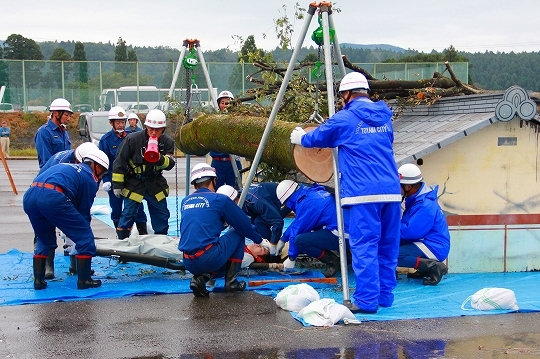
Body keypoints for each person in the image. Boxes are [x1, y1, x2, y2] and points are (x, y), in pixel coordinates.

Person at [290, 72, 402, 314]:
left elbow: (321, 136)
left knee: (364, 246)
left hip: (362, 194)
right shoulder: (385, 118)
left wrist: (302, 137)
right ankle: (384, 297)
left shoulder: (346, 118)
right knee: (388, 245)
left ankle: (366, 301)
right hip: (392, 193)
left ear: (346, 95)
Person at [23, 149, 109, 290]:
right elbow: (83, 211)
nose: (100, 177)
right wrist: (81, 234)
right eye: (103, 172)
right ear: (97, 166)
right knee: (85, 236)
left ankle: (38, 281)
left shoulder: (67, 166)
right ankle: (84, 280)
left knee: (43, 238)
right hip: (52, 197)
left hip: (30, 196)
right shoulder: (89, 178)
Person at [179, 163, 263, 297]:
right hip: (208, 258)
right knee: (237, 232)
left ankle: (202, 278)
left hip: (188, 262)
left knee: (215, 247)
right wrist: (260, 240)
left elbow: (204, 223)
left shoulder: (185, 201)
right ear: (214, 180)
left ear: (195, 185)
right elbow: (243, 224)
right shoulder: (220, 199)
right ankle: (231, 282)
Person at [37, 141, 98, 277]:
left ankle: (76, 264)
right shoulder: (60, 162)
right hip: (47, 190)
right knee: (45, 227)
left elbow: (86, 199)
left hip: (71, 190)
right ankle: (48, 266)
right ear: (78, 159)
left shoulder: (94, 166)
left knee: (77, 224)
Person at [112, 109, 175, 239]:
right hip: (135, 182)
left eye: (157, 129)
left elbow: (170, 164)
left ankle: (160, 241)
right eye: (151, 128)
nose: (153, 132)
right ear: (146, 126)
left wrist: (159, 158)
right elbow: (120, 162)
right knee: (128, 213)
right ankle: (122, 241)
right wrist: (117, 185)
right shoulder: (132, 139)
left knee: (162, 214)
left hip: (155, 182)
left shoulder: (167, 142)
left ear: (163, 129)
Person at [274, 180, 345, 278]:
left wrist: (291, 258)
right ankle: (347, 256)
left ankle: (333, 262)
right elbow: (299, 221)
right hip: (350, 230)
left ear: (288, 199)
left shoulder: (306, 203)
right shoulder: (310, 193)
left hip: (343, 235)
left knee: (300, 241)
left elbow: (298, 229)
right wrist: (283, 239)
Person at [398, 163, 450, 285]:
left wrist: (386, 231)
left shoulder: (425, 204)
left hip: (434, 247)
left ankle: (433, 266)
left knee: (391, 254)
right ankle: (424, 269)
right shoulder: (417, 199)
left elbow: (410, 232)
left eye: (399, 185)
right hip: (427, 242)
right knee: (391, 247)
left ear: (408, 187)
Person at [99, 107, 148, 237]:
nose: (121, 125)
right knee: (116, 209)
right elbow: (103, 162)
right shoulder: (106, 140)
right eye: (118, 122)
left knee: (138, 208)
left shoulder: (132, 137)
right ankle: (121, 235)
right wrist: (106, 180)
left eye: (122, 122)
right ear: (111, 123)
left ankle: (143, 233)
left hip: (132, 180)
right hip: (114, 180)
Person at [216, 182, 290, 254]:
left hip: (284, 201)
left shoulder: (256, 201)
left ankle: (272, 250)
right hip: (266, 199)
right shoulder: (240, 200)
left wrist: (273, 244)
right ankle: (267, 247)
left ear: (235, 200)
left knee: (259, 223)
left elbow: (277, 222)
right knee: (254, 224)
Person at [210, 90, 242, 189]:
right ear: (219, 104)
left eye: (227, 103)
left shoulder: (238, 120)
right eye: (222, 103)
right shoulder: (213, 120)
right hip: (217, 163)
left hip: (233, 163)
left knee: (235, 190)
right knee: (216, 190)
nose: (224, 106)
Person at [34, 98, 73, 169]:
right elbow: (46, 161)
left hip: (64, 174)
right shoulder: (44, 132)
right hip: (52, 175)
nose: (68, 119)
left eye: (70, 116)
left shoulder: (64, 131)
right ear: (55, 113)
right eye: (66, 115)